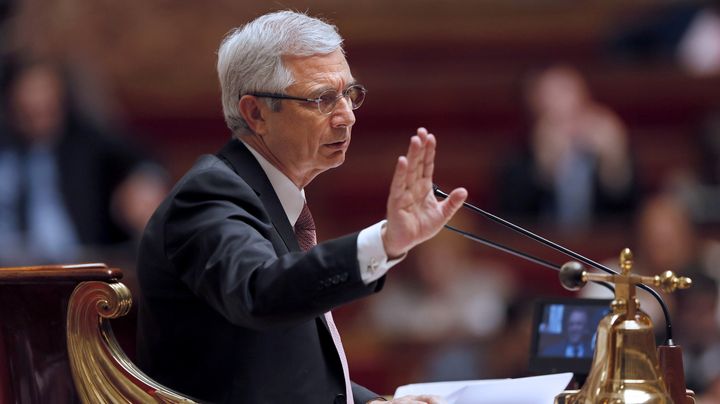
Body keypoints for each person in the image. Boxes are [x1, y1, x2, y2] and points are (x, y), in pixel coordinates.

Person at [135, 10, 467, 404]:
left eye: (350, 94)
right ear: (255, 113)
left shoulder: (277, 200)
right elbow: (260, 291)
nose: (346, 117)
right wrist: (383, 243)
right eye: (323, 99)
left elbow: (290, 367)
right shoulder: (209, 196)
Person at [0, 58, 167, 265]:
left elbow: (142, 160)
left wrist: (143, 184)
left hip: (81, 265)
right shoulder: (6, 147)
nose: (38, 107)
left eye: (47, 104)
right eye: (28, 110)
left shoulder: (87, 142)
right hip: (12, 268)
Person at [499, 65, 637, 229]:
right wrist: (544, 168)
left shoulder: (608, 146)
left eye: (568, 94)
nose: (563, 108)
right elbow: (511, 221)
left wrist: (614, 164)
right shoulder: (518, 158)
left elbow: (630, 214)